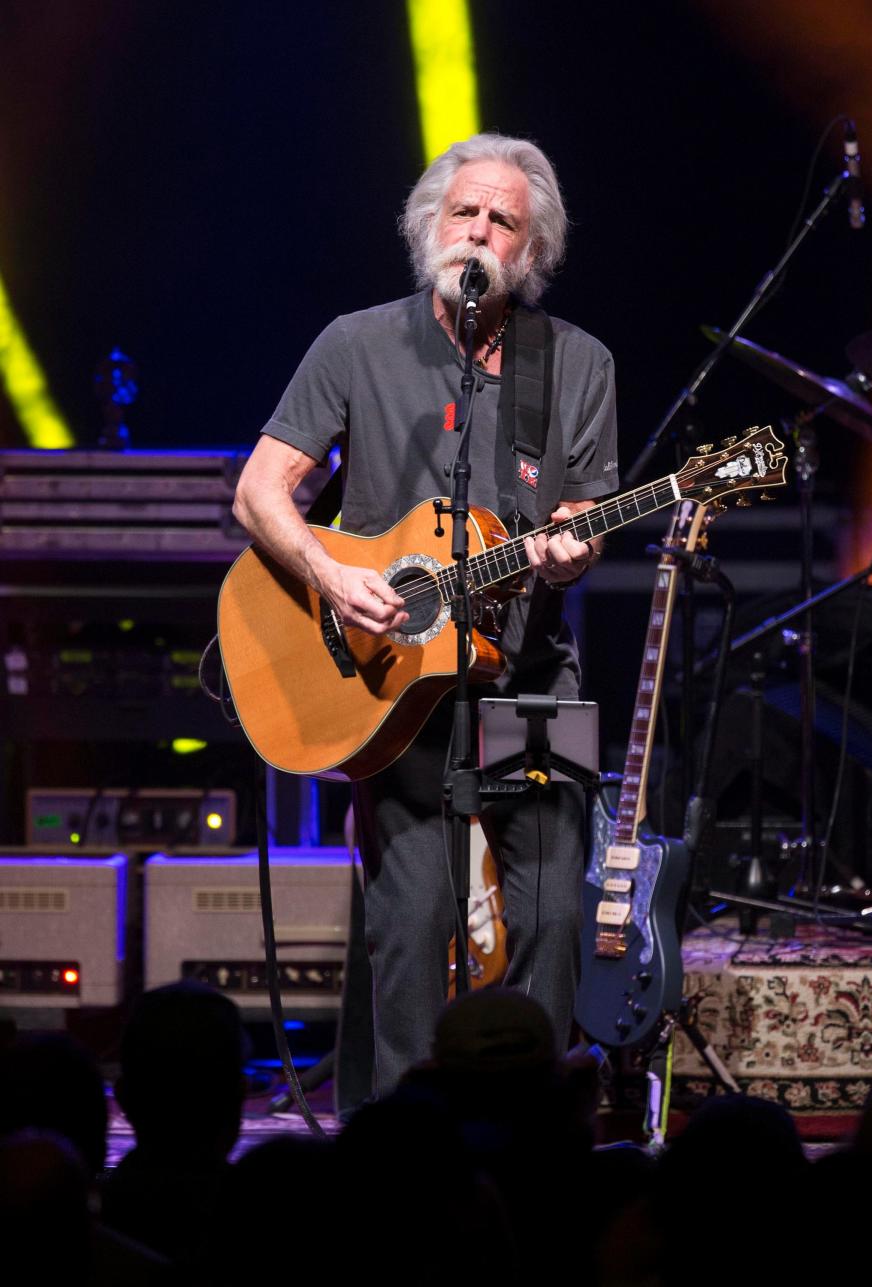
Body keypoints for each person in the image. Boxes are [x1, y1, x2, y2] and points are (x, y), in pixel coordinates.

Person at [233, 133, 618, 1096]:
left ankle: (527, 1123)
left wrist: (573, 551)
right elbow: (260, 492)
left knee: (554, 919)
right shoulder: (355, 342)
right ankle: (403, 1149)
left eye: (503, 221)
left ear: (531, 252)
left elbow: (579, 520)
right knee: (407, 928)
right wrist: (327, 574)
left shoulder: (575, 364)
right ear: (428, 225)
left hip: (525, 678)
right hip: (386, 683)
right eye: (465, 212)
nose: (480, 231)